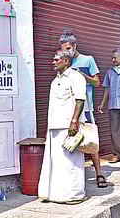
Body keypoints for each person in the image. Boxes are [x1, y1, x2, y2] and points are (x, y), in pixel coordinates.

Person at [59, 30, 107, 188]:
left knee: (90, 138)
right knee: (71, 140)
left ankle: (99, 173)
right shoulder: (64, 62)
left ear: (74, 46)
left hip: (86, 107)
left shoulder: (88, 60)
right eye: (63, 49)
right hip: (68, 108)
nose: (66, 51)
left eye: (68, 48)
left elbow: (97, 83)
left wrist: (82, 76)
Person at [38, 49, 87, 204]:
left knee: (71, 162)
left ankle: (74, 195)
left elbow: (80, 100)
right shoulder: (55, 81)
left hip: (68, 126)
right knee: (57, 163)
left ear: (66, 61)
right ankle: (58, 194)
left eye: (57, 59)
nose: (53, 61)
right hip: (55, 127)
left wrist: (74, 121)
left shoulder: (76, 77)